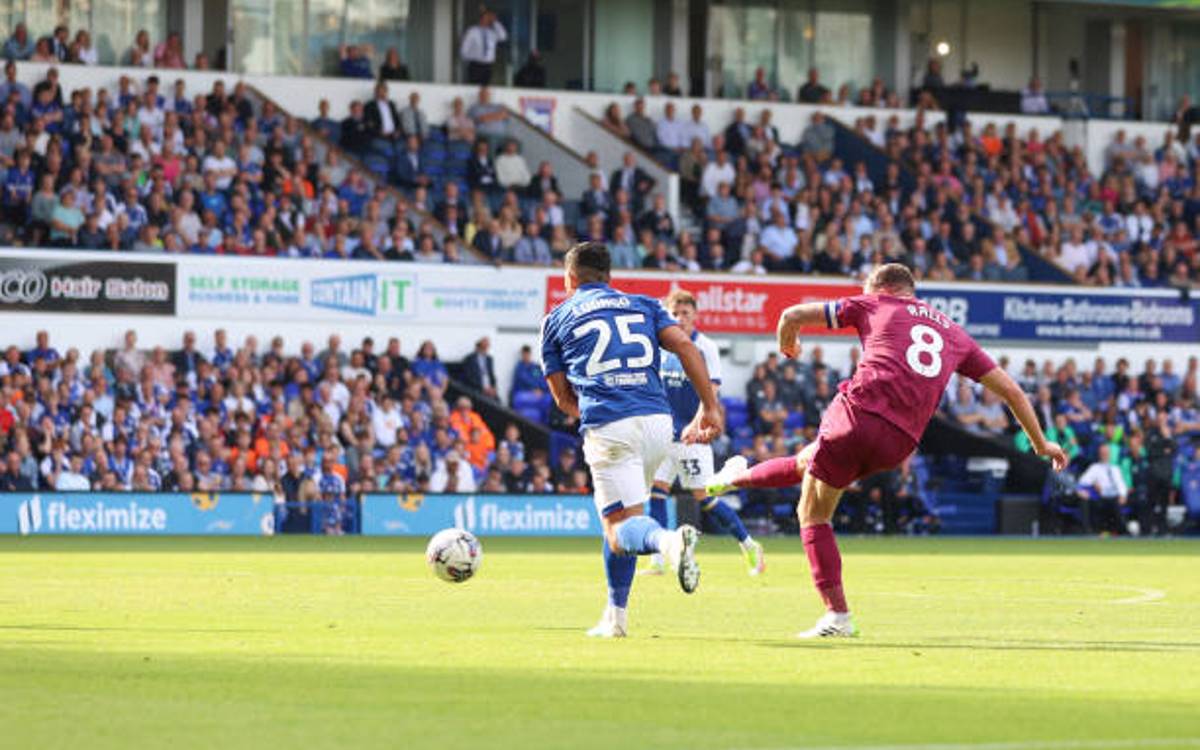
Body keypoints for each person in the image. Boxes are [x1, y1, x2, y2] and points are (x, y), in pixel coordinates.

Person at [704, 264, 1068, 638]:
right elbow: (1012, 392)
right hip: (900, 443)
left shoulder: (875, 303)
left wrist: (788, 343)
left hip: (858, 417)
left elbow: (790, 315)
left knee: (811, 512)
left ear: (879, 287)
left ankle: (837, 616)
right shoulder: (954, 332)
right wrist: (1041, 444)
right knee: (807, 462)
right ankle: (733, 478)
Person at [540, 242, 723, 638]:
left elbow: (562, 398)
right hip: (659, 422)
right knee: (626, 515)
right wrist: (709, 406)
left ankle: (669, 542)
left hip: (611, 423)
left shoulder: (555, 319)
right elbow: (687, 346)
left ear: (568, 279)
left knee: (617, 530)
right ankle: (615, 618)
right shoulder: (643, 303)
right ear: (609, 278)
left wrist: (593, 416)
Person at [644, 289, 765, 577]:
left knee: (703, 496)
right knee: (656, 492)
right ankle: (658, 561)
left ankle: (749, 545)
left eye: (686, 313)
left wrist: (697, 423)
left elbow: (711, 391)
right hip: (664, 435)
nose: (680, 318)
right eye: (675, 313)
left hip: (692, 436)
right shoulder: (662, 347)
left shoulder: (705, 346)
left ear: (695, 316)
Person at [460, 6, 508, 85]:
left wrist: (495, 22)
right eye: (486, 17)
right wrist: (473, 58)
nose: (487, 20)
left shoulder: (492, 33)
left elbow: (503, 36)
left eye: (489, 18)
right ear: (481, 18)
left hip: (488, 66)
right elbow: (464, 50)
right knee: (473, 87)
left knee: (485, 88)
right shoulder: (472, 31)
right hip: (475, 65)